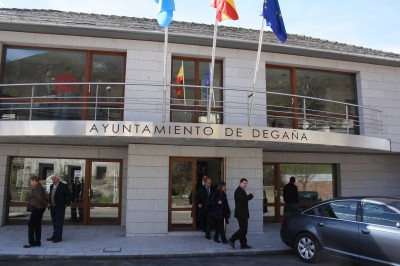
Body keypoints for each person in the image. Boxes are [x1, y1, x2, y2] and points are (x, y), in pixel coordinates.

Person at [23, 176, 48, 248]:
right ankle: (37, 241)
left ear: (34, 180)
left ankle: (31, 242)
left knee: (31, 225)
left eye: (31, 181)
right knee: (37, 225)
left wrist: (46, 204)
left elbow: (40, 198)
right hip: (39, 208)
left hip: (37, 208)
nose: (31, 182)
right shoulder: (39, 187)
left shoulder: (37, 187)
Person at [229, 178, 254, 249]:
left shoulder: (242, 190)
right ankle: (232, 239)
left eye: (246, 183)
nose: (245, 185)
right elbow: (244, 199)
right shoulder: (238, 191)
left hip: (244, 213)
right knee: (243, 229)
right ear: (240, 183)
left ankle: (243, 244)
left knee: (244, 230)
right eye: (244, 183)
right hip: (240, 214)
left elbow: (244, 200)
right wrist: (251, 195)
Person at [47, 174, 71, 243]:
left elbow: (69, 195)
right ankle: (54, 235)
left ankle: (58, 237)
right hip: (52, 207)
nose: (53, 181)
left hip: (60, 208)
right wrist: (49, 202)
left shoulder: (63, 186)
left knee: (59, 223)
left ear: (58, 179)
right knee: (54, 222)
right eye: (52, 179)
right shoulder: (52, 186)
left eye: (54, 179)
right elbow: (51, 196)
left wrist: (66, 204)